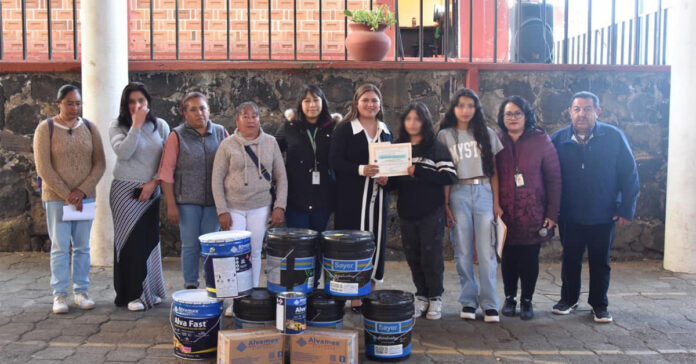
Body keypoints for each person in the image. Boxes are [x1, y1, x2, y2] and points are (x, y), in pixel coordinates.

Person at [550, 91, 639, 323]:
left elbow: (629, 175)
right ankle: (568, 299)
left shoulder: (614, 137)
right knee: (570, 259)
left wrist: (626, 209)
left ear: (597, 112)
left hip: (603, 214)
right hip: (569, 214)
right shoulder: (558, 140)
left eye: (588, 109)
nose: (582, 114)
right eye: (577, 109)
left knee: (600, 263)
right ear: (570, 112)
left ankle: (599, 305)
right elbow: (547, 177)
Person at [33, 84, 106, 314]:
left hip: (84, 199)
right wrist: (67, 194)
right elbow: (43, 167)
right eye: (69, 103)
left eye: (78, 103)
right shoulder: (46, 129)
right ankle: (60, 295)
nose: (75, 107)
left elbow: (100, 163)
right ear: (58, 104)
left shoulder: (90, 128)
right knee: (60, 247)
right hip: (58, 199)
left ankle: (81, 291)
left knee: (83, 247)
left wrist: (82, 191)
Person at [438, 88, 504, 323]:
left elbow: (494, 172)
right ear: (454, 108)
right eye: (461, 105)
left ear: (476, 109)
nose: (466, 110)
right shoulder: (445, 135)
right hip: (458, 192)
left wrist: (496, 202)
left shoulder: (487, 133)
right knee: (463, 250)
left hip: (484, 191)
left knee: (487, 252)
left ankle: (490, 303)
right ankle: (468, 300)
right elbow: (445, 173)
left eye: (470, 106)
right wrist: (446, 203)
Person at [387, 102, 457, 320]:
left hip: (431, 212)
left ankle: (435, 297)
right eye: (408, 119)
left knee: (431, 256)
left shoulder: (435, 147)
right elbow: (394, 183)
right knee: (413, 256)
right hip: (407, 212)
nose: (412, 123)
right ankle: (421, 296)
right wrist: (384, 181)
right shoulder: (398, 147)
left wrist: (418, 171)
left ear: (424, 122)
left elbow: (449, 176)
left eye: (417, 119)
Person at [495, 96, 561, 320]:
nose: (513, 118)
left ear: (526, 116)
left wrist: (552, 214)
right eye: (508, 114)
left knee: (530, 260)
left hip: (533, 212)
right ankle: (510, 298)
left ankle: (527, 300)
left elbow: (554, 179)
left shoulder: (541, 140)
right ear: (502, 118)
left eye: (517, 113)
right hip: (505, 213)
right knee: (508, 258)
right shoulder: (496, 140)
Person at [329, 83, 392, 311]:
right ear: (356, 103)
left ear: (380, 104)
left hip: (377, 199)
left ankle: (369, 293)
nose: (370, 104)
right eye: (365, 100)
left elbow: (392, 163)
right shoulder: (345, 129)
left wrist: (387, 177)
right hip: (352, 199)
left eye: (374, 100)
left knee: (376, 245)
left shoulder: (385, 130)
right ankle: (354, 296)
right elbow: (334, 161)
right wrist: (360, 169)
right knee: (354, 247)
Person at [212, 101, 287, 290]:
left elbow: (281, 176)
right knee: (235, 252)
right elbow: (216, 179)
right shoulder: (227, 145)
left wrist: (280, 206)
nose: (250, 120)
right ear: (237, 120)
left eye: (254, 116)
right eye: (245, 116)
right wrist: (222, 210)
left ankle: (251, 290)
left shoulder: (270, 142)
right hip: (233, 206)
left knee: (254, 251)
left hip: (260, 206)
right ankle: (233, 295)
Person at [109, 82, 170, 311]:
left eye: (141, 101)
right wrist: (135, 126)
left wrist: (153, 183)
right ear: (125, 105)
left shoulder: (160, 125)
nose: (137, 105)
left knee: (150, 242)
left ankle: (151, 291)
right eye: (132, 101)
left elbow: (166, 160)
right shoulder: (117, 126)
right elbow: (123, 153)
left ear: (148, 102)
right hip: (125, 191)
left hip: (151, 190)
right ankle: (132, 294)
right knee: (129, 242)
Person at [158, 92, 228, 290]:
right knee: (190, 245)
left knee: (211, 246)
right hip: (187, 201)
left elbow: (231, 165)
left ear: (209, 110)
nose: (199, 113)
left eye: (203, 108)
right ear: (185, 113)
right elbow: (166, 171)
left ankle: (212, 285)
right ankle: (190, 284)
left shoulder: (221, 133)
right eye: (193, 109)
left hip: (214, 201)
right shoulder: (177, 135)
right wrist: (171, 204)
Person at [275, 86, 336, 287]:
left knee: (318, 243)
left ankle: (314, 284)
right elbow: (272, 153)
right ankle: (298, 286)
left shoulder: (333, 127)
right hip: (296, 197)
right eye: (307, 101)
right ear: (301, 104)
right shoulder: (289, 126)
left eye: (316, 100)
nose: (312, 105)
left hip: (323, 197)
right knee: (298, 245)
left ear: (323, 102)